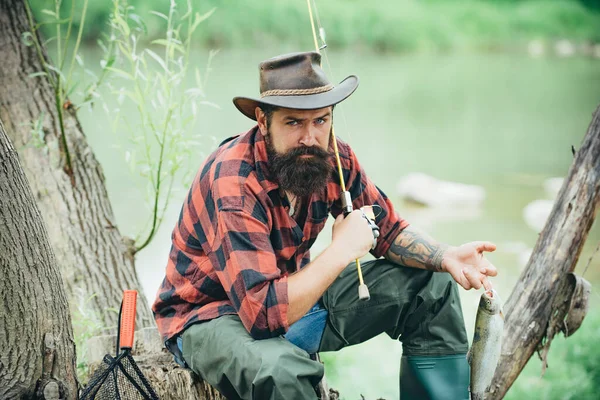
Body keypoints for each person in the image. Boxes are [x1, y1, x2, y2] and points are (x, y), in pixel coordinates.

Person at [152, 51, 498, 400]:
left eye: (320, 120)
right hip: (209, 317)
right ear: (262, 120)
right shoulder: (233, 182)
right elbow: (262, 315)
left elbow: (388, 230)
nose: (309, 137)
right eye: (293, 123)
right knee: (282, 371)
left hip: (290, 304)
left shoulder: (332, 156)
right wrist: (342, 250)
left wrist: (446, 255)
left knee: (433, 286)